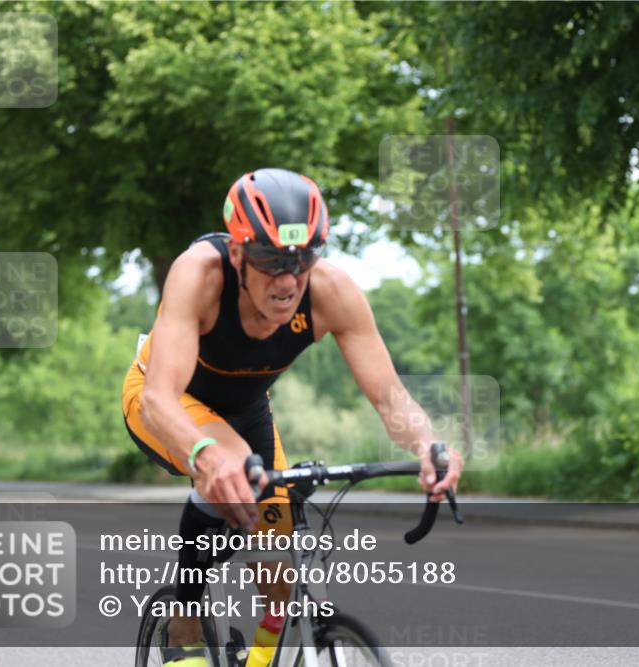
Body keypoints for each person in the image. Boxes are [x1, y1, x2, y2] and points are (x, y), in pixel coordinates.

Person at [121, 168, 463, 667]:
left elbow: (391, 398)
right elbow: (159, 399)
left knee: (279, 561)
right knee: (231, 460)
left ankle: (263, 659)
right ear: (237, 254)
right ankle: (184, 626)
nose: (286, 280)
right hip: (163, 400)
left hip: (247, 410)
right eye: (270, 261)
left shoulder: (331, 291)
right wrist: (205, 456)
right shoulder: (199, 274)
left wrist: (427, 446)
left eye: (302, 259)